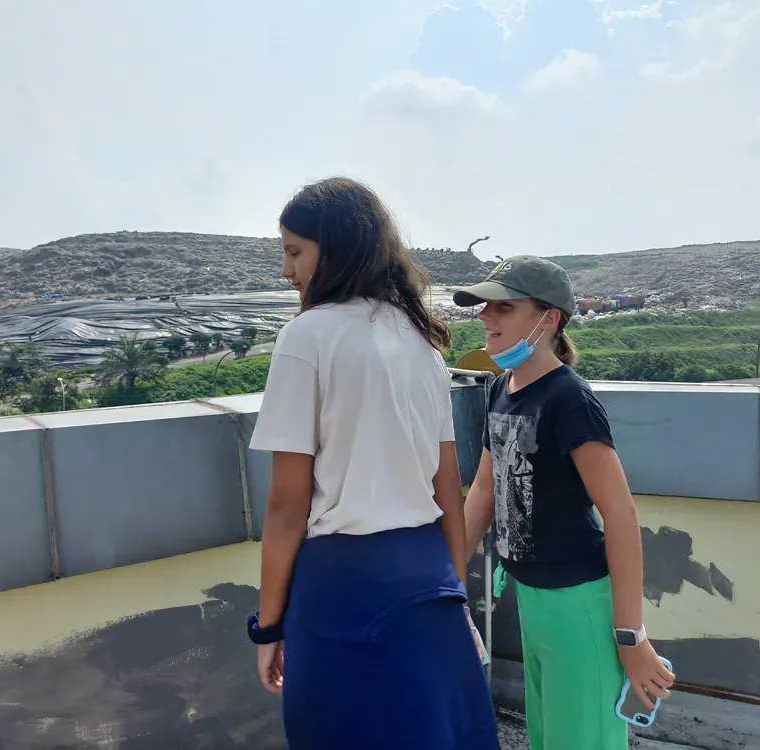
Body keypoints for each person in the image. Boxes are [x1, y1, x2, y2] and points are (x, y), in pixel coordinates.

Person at [245, 177, 499, 750]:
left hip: (344, 590)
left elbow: (287, 507)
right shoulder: (420, 342)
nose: (287, 271)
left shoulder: (305, 338)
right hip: (427, 581)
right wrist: (455, 595)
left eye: (294, 251)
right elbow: (447, 491)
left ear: (333, 250)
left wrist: (269, 626)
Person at [455, 256, 676, 750]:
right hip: (533, 599)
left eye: (503, 307)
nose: (486, 317)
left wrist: (630, 637)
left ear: (548, 318)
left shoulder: (568, 399)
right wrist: (445, 585)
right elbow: (483, 493)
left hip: (578, 604)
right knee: (551, 737)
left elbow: (619, 513)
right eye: (484, 307)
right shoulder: (500, 389)